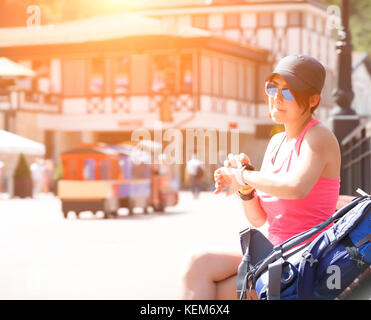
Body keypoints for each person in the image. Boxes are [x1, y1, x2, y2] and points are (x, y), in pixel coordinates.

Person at [180, 54, 341, 299]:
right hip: (276, 251)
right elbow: (258, 218)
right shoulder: (277, 142)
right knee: (198, 263)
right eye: (272, 87)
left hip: (306, 257)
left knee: (218, 290)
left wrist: (243, 175)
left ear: (313, 100)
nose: (276, 97)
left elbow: (296, 187)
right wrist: (243, 188)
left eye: (288, 92)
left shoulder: (318, 136)